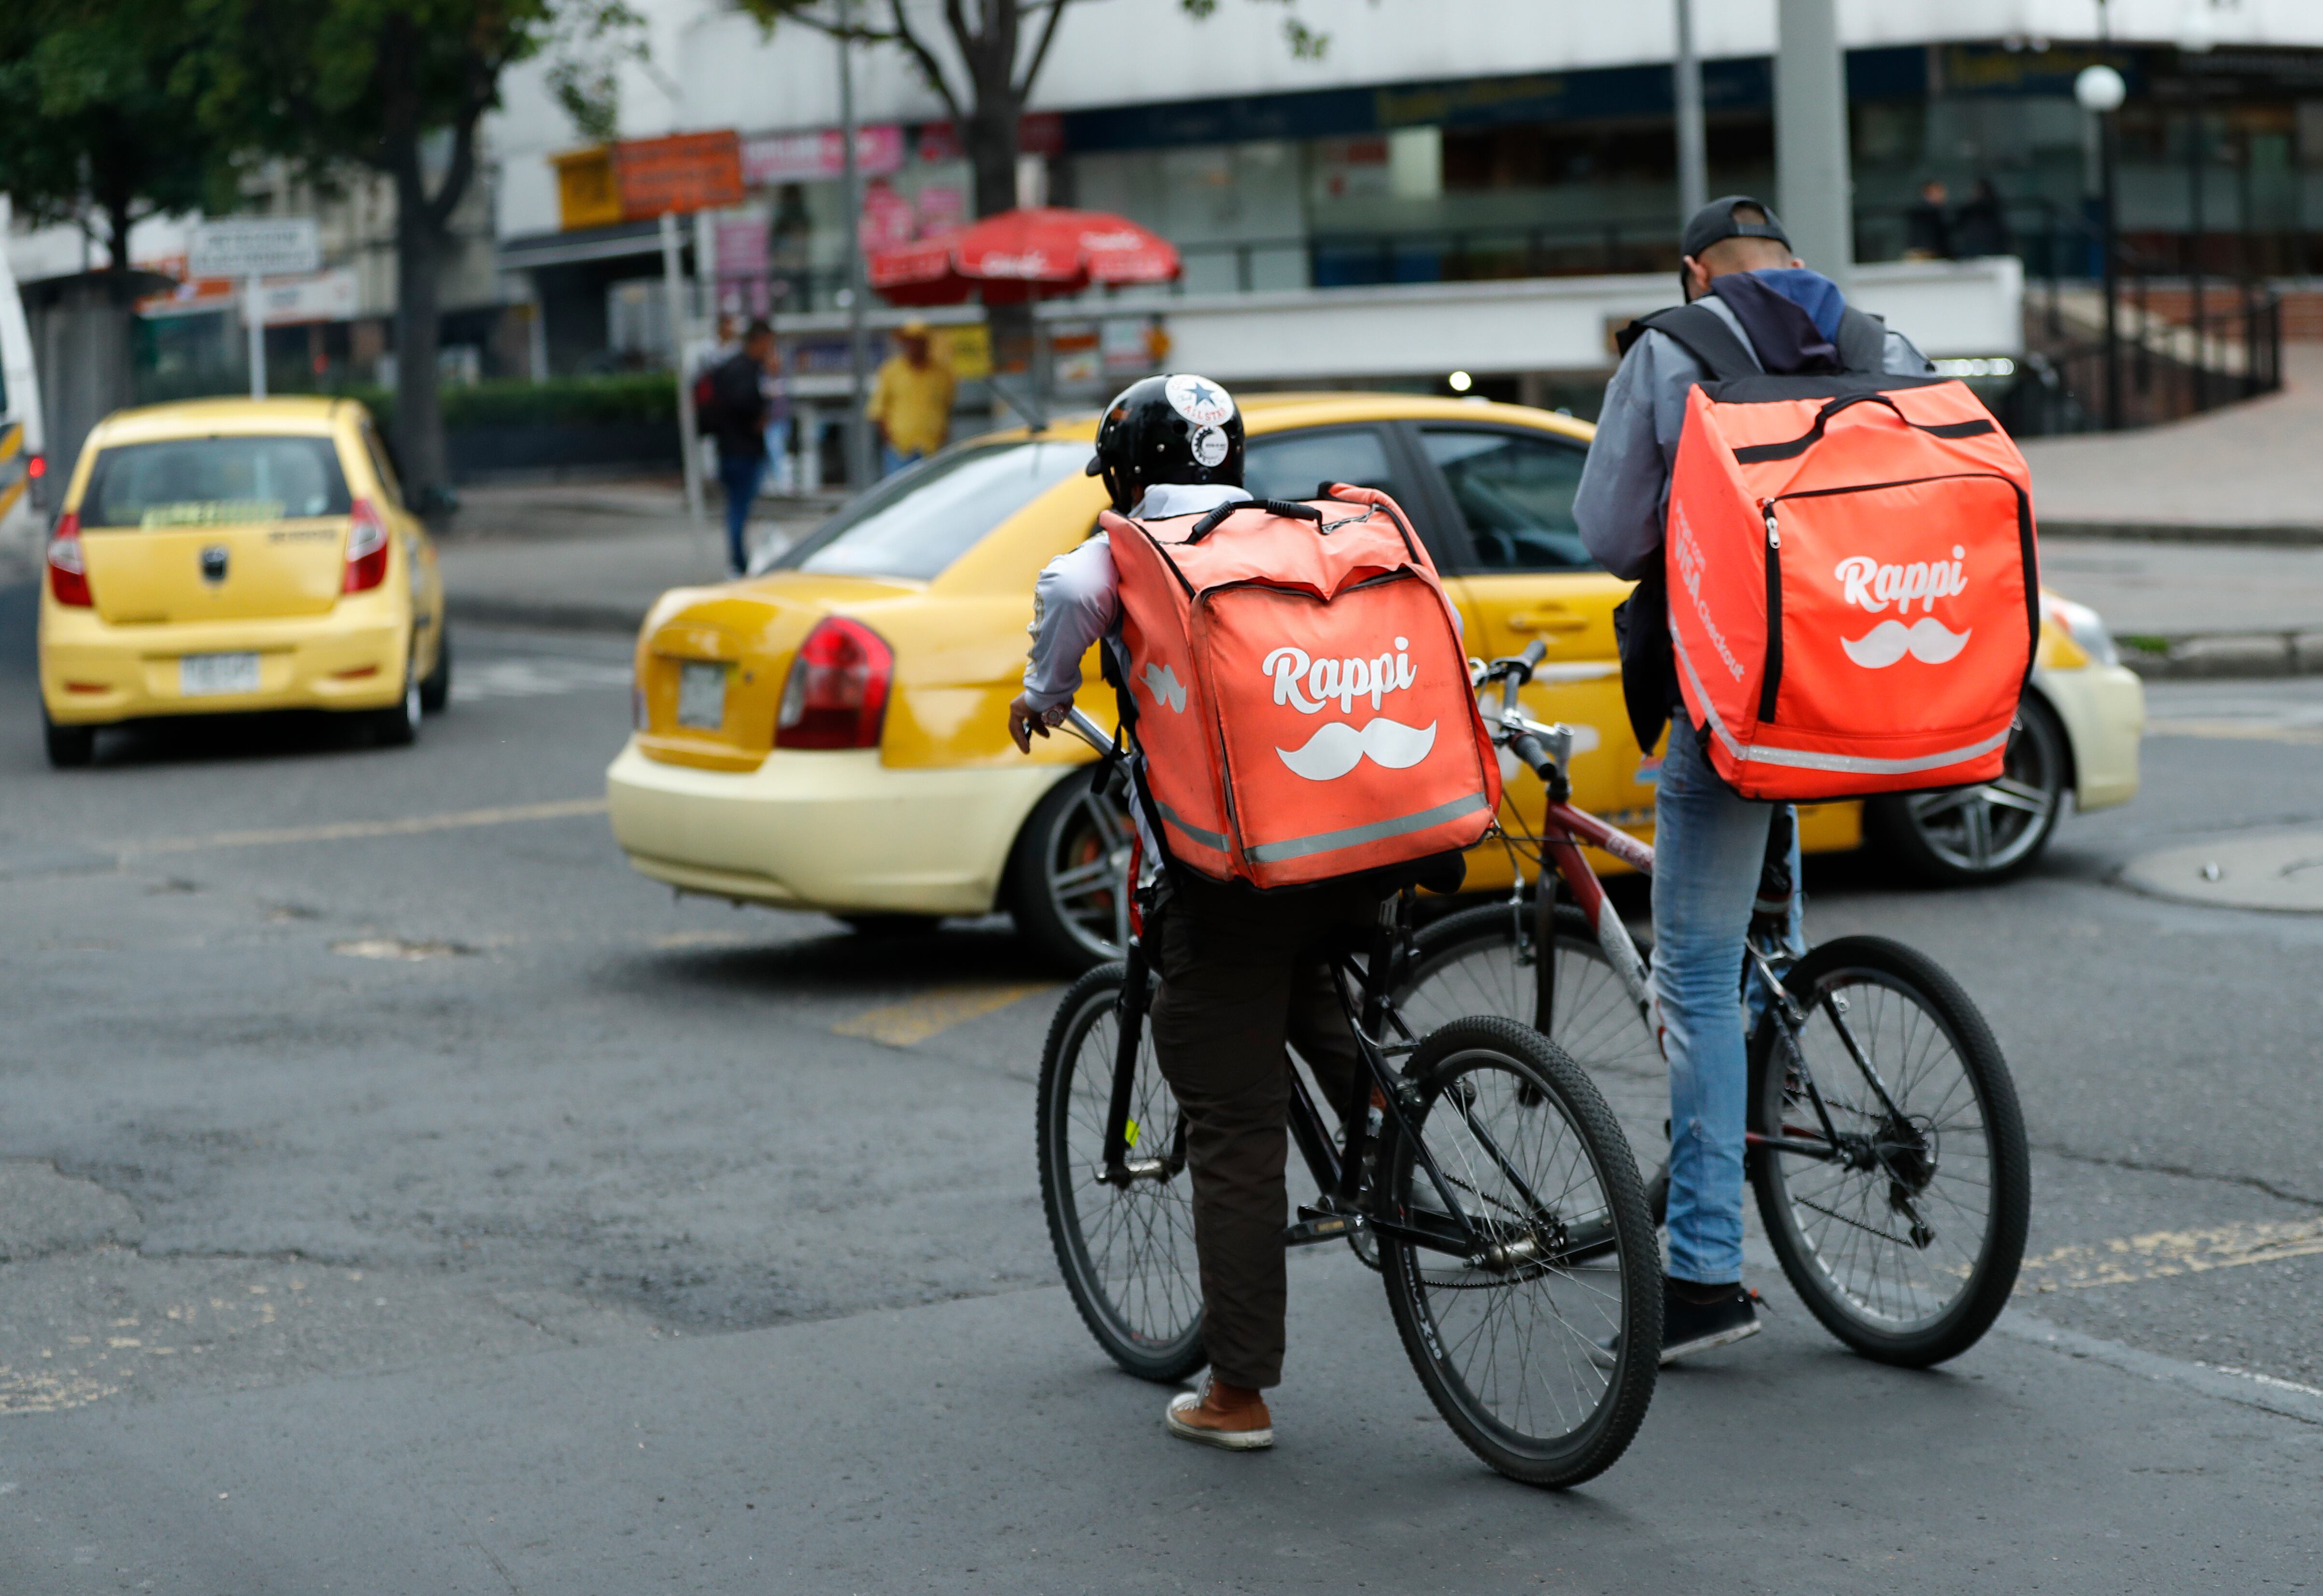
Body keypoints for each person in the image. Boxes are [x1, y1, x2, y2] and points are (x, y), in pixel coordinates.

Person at [1571, 196, 1935, 1363]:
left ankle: (1703, 1272)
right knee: (1752, 943)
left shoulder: (1671, 350)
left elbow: (1609, 532)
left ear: (1696, 274)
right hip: (1873, 685)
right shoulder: (1883, 341)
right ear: (1787, 258)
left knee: (1689, 980)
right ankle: (1768, 1054)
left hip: (1739, 706)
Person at [1005, 376, 1382, 1454]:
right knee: (1313, 991)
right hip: (1357, 849)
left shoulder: (1118, 556)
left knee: (1231, 1127)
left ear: (1126, 474)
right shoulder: (1291, 532)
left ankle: (1238, 1393)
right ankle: (1397, 1150)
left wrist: (1041, 694)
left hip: (1231, 882)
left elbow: (1065, 609)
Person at [705, 319, 776, 575]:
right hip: (742, 449)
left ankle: (738, 559)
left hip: (730, 447)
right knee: (738, 508)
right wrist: (759, 416)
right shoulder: (746, 369)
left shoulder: (730, 367)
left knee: (737, 507)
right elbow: (745, 403)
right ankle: (738, 561)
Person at [866, 318, 955, 477]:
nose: (914, 347)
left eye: (919, 342)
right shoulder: (891, 371)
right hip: (901, 450)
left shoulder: (942, 374)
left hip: (932, 448)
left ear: (927, 343)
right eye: (910, 342)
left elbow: (947, 406)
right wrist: (891, 442)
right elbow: (878, 411)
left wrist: (941, 435)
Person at [1953, 177, 2013, 259]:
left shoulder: (1992, 209)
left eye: (1978, 190)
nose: (1974, 194)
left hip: (1990, 250)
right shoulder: (1968, 212)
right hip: (1973, 250)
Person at [1903, 178, 1954, 261]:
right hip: (1924, 256)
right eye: (1938, 192)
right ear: (1928, 194)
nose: (1942, 195)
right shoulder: (1922, 213)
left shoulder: (1942, 213)